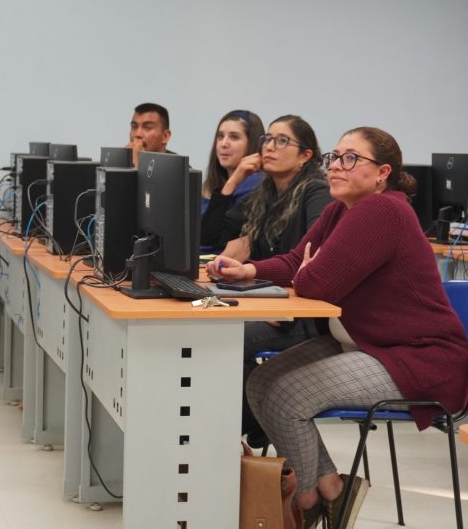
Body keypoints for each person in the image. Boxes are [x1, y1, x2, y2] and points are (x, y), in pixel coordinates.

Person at [208, 126, 468, 527]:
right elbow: (297, 263)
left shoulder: (383, 210)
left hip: (418, 358)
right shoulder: (339, 210)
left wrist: (307, 272)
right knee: (260, 384)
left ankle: (305, 503)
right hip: (367, 343)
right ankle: (330, 490)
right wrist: (249, 270)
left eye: (351, 158)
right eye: (335, 157)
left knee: (287, 395)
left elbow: (315, 283)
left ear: (382, 173)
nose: (335, 166)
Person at [208, 115, 333, 446]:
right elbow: (210, 234)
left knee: (225, 338)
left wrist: (253, 274)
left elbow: (308, 259)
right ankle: (248, 424)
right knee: (207, 323)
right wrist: (234, 180)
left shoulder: (316, 193)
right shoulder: (265, 192)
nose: (269, 147)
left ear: (305, 155)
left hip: (303, 317)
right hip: (269, 303)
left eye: (282, 141)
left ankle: (231, 431)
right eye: (267, 139)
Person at [200, 109, 265, 251]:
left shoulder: (256, 185)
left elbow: (210, 238)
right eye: (220, 136)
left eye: (234, 137)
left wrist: (232, 182)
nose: (223, 144)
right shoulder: (211, 183)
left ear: (252, 143)